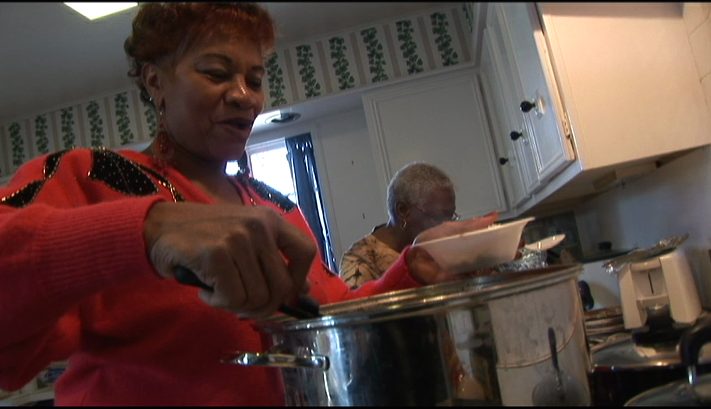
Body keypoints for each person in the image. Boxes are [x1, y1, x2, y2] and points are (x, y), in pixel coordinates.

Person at [0, 3, 497, 406]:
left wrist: (414, 269)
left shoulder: (274, 205)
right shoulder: (88, 177)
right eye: (217, 73)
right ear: (155, 82)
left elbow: (330, 317)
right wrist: (147, 231)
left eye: (255, 80)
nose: (243, 95)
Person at [340, 162, 472, 288]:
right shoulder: (359, 262)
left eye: (451, 216)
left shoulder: (442, 247)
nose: (448, 226)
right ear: (403, 211)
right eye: (439, 217)